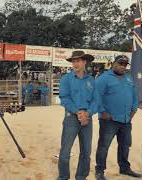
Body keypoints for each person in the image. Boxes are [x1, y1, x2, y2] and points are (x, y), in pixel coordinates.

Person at [95, 55, 142, 180]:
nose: (122, 66)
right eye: (120, 63)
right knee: (104, 146)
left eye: (125, 64)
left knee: (125, 145)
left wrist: (134, 109)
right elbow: (96, 96)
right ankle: (99, 170)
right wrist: (102, 111)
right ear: (113, 63)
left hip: (126, 120)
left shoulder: (129, 78)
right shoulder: (104, 78)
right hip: (109, 120)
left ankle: (124, 168)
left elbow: (134, 95)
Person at [57, 51, 98, 180]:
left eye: (78, 60)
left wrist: (88, 113)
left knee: (86, 151)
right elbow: (64, 98)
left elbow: (96, 101)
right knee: (65, 151)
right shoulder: (66, 79)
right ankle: (63, 177)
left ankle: (81, 176)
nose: (75, 63)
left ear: (84, 61)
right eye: (73, 61)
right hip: (71, 117)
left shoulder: (91, 80)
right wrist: (78, 112)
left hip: (87, 118)